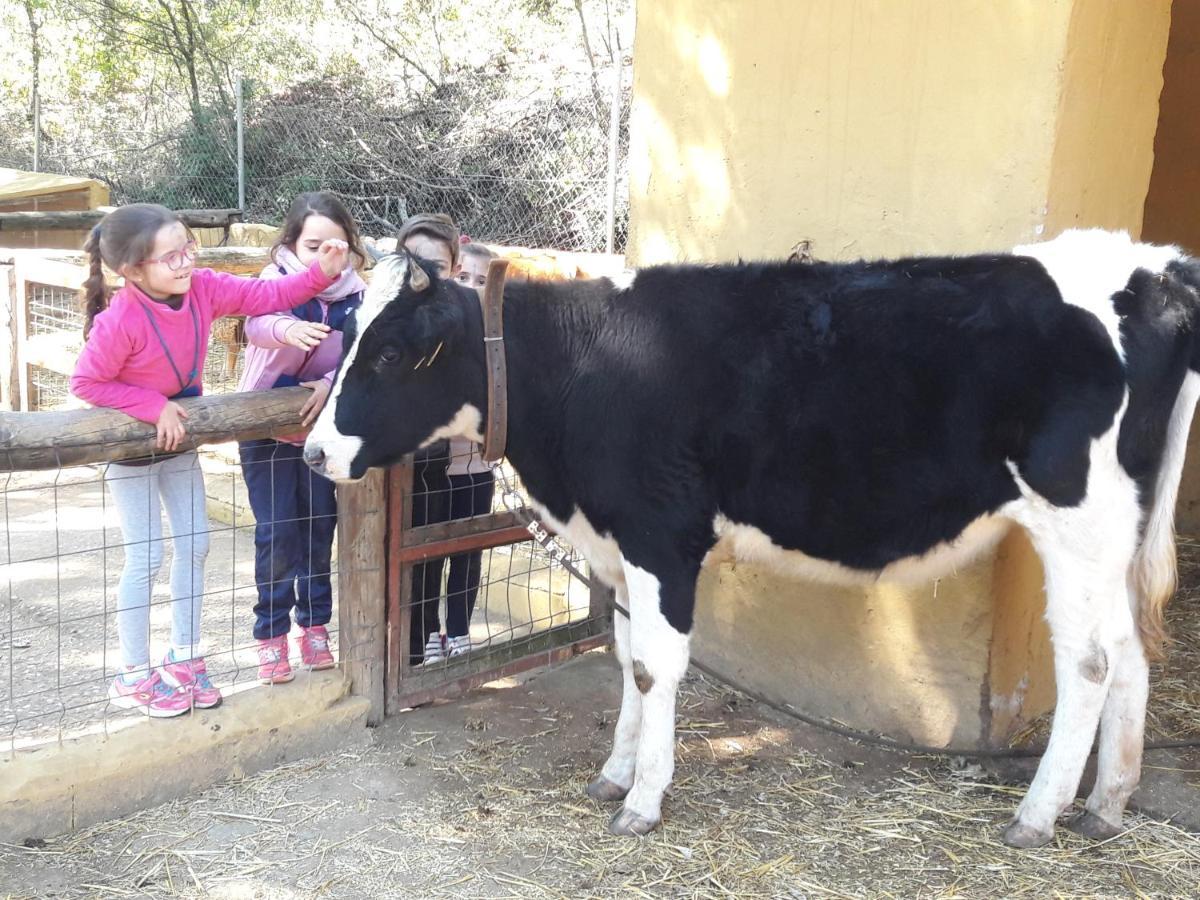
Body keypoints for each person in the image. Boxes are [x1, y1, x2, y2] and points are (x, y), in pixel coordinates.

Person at [71, 203, 348, 717]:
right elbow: (86, 382)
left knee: (196, 545)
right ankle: (132, 674)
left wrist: (319, 275)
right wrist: (155, 407)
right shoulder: (121, 319)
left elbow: (267, 295)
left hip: (179, 445)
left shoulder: (201, 288)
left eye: (187, 250)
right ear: (132, 270)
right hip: (131, 453)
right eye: (170, 256)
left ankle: (186, 657)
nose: (184, 263)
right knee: (146, 557)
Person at [237, 192, 368, 684]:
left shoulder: (357, 293)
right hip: (265, 430)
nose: (323, 256)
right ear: (292, 244)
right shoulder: (278, 282)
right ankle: (269, 636)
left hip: (319, 428)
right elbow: (256, 322)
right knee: (277, 532)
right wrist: (287, 330)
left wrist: (328, 383)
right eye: (312, 245)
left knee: (319, 527)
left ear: (349, 248)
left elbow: (359, 353)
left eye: (333, 245)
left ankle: (314, 627)